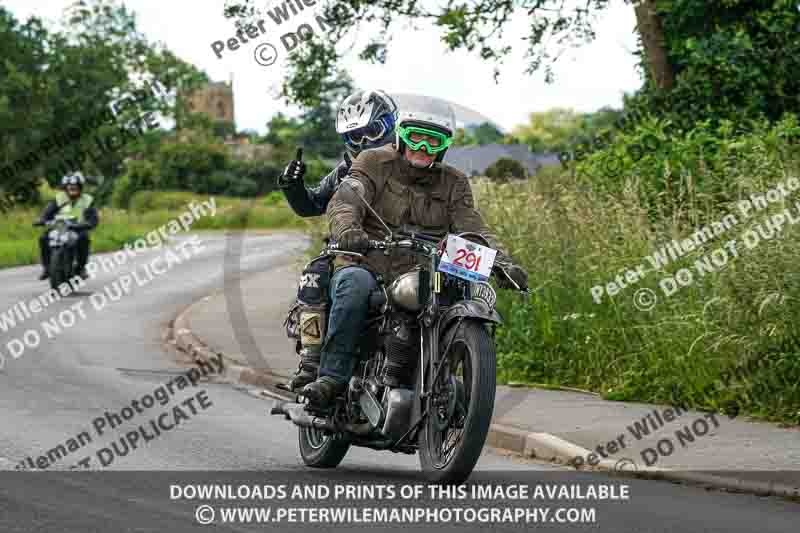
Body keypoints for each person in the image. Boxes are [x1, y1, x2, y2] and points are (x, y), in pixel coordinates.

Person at [302, 100, 529, 407]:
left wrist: (502, 262)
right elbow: (346, 198)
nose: (423, 146)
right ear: (401, 136)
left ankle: (431, 379)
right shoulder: (373, 161)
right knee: (352, 285)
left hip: (425, 272)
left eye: (433, 140)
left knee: (454, 299)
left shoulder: (455, 182)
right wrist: (347, 230)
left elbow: (473, 229)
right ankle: (331, 378)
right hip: (368, 260)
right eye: (415, 136)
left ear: (444, 146)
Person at [278, 90, 399, 391]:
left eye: (373, 131)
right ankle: (311, 358)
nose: (366, 142)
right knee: (314, 275)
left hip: (402, 257)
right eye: (355, 137)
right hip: (353, 255)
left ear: (392, 125)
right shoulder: (344, 172)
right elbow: (311, 204)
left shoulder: (411, 166)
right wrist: (293, 187)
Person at [37, 172, 99, 280]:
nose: (71, 188)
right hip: (59, 228)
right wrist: (42, 220)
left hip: (78, 228)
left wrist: (90, 223)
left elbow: (93, 217)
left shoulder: (87, 199)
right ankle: (47, 267)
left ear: (80, 187)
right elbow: (48, 212)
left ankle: (81, 268)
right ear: (65, 188)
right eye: (69, 187)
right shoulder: (59, 198)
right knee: (43, 238)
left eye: (74, 187)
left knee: (84, 238)